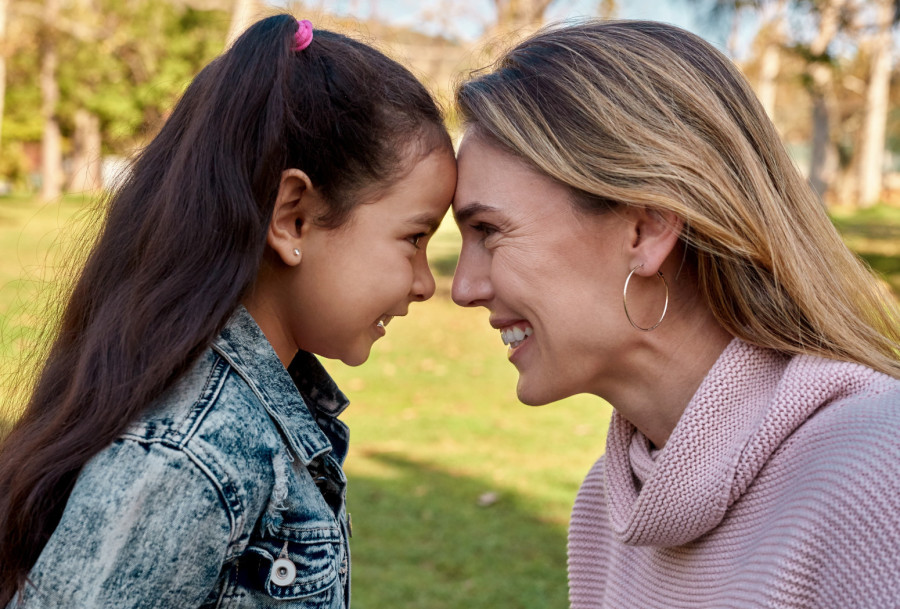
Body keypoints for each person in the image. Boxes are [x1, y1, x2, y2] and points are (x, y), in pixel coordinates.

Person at [0, 15, 456, 608]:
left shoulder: (252, 422)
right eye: (414, 238)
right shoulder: (190, 460)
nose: (427, 283)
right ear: (293, 217)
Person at [451, 19, 900, 609]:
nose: (462, 287)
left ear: (646, 229)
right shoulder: (604, 514)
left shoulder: (878, 475)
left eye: (488, 230)